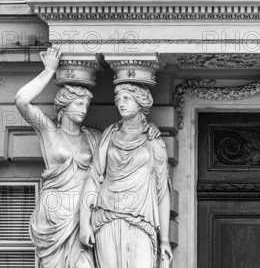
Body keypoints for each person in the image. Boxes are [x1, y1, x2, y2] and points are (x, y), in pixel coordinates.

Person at [14, 47, 99, 268]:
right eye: (79, 103)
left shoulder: (94, 137)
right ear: (64, 105)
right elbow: (22, 101)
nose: (84, 109)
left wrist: (152, 131)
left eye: (87, 105)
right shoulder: (49, 131)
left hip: (82, 214)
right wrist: (49, 70)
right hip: (53, 216)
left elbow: (122, 141)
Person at [79, 83, 172, 268]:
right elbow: (93, 177)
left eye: (127, 98)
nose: (121, 104)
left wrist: (165, 240)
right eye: (118, 99)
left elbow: (162, 192)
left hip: (141, 218)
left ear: (140, 103)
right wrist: (84, 222)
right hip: (107, 214)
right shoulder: (110, 135)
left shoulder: (154, 141)